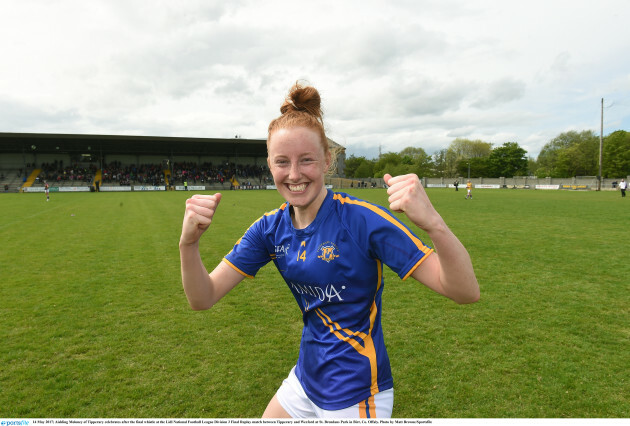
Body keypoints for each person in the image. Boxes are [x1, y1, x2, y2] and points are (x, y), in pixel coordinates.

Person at [179, 82, 480, 418]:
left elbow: (465, 291)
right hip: (304, 382)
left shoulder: (362, 221)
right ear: (269, 164)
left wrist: (434, 224)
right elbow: (202, 297)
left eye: (306, 160)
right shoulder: (269, 229)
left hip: (356, 393)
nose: (293, 175)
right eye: (282, 162)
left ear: (326, 161)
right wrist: (188, 244)